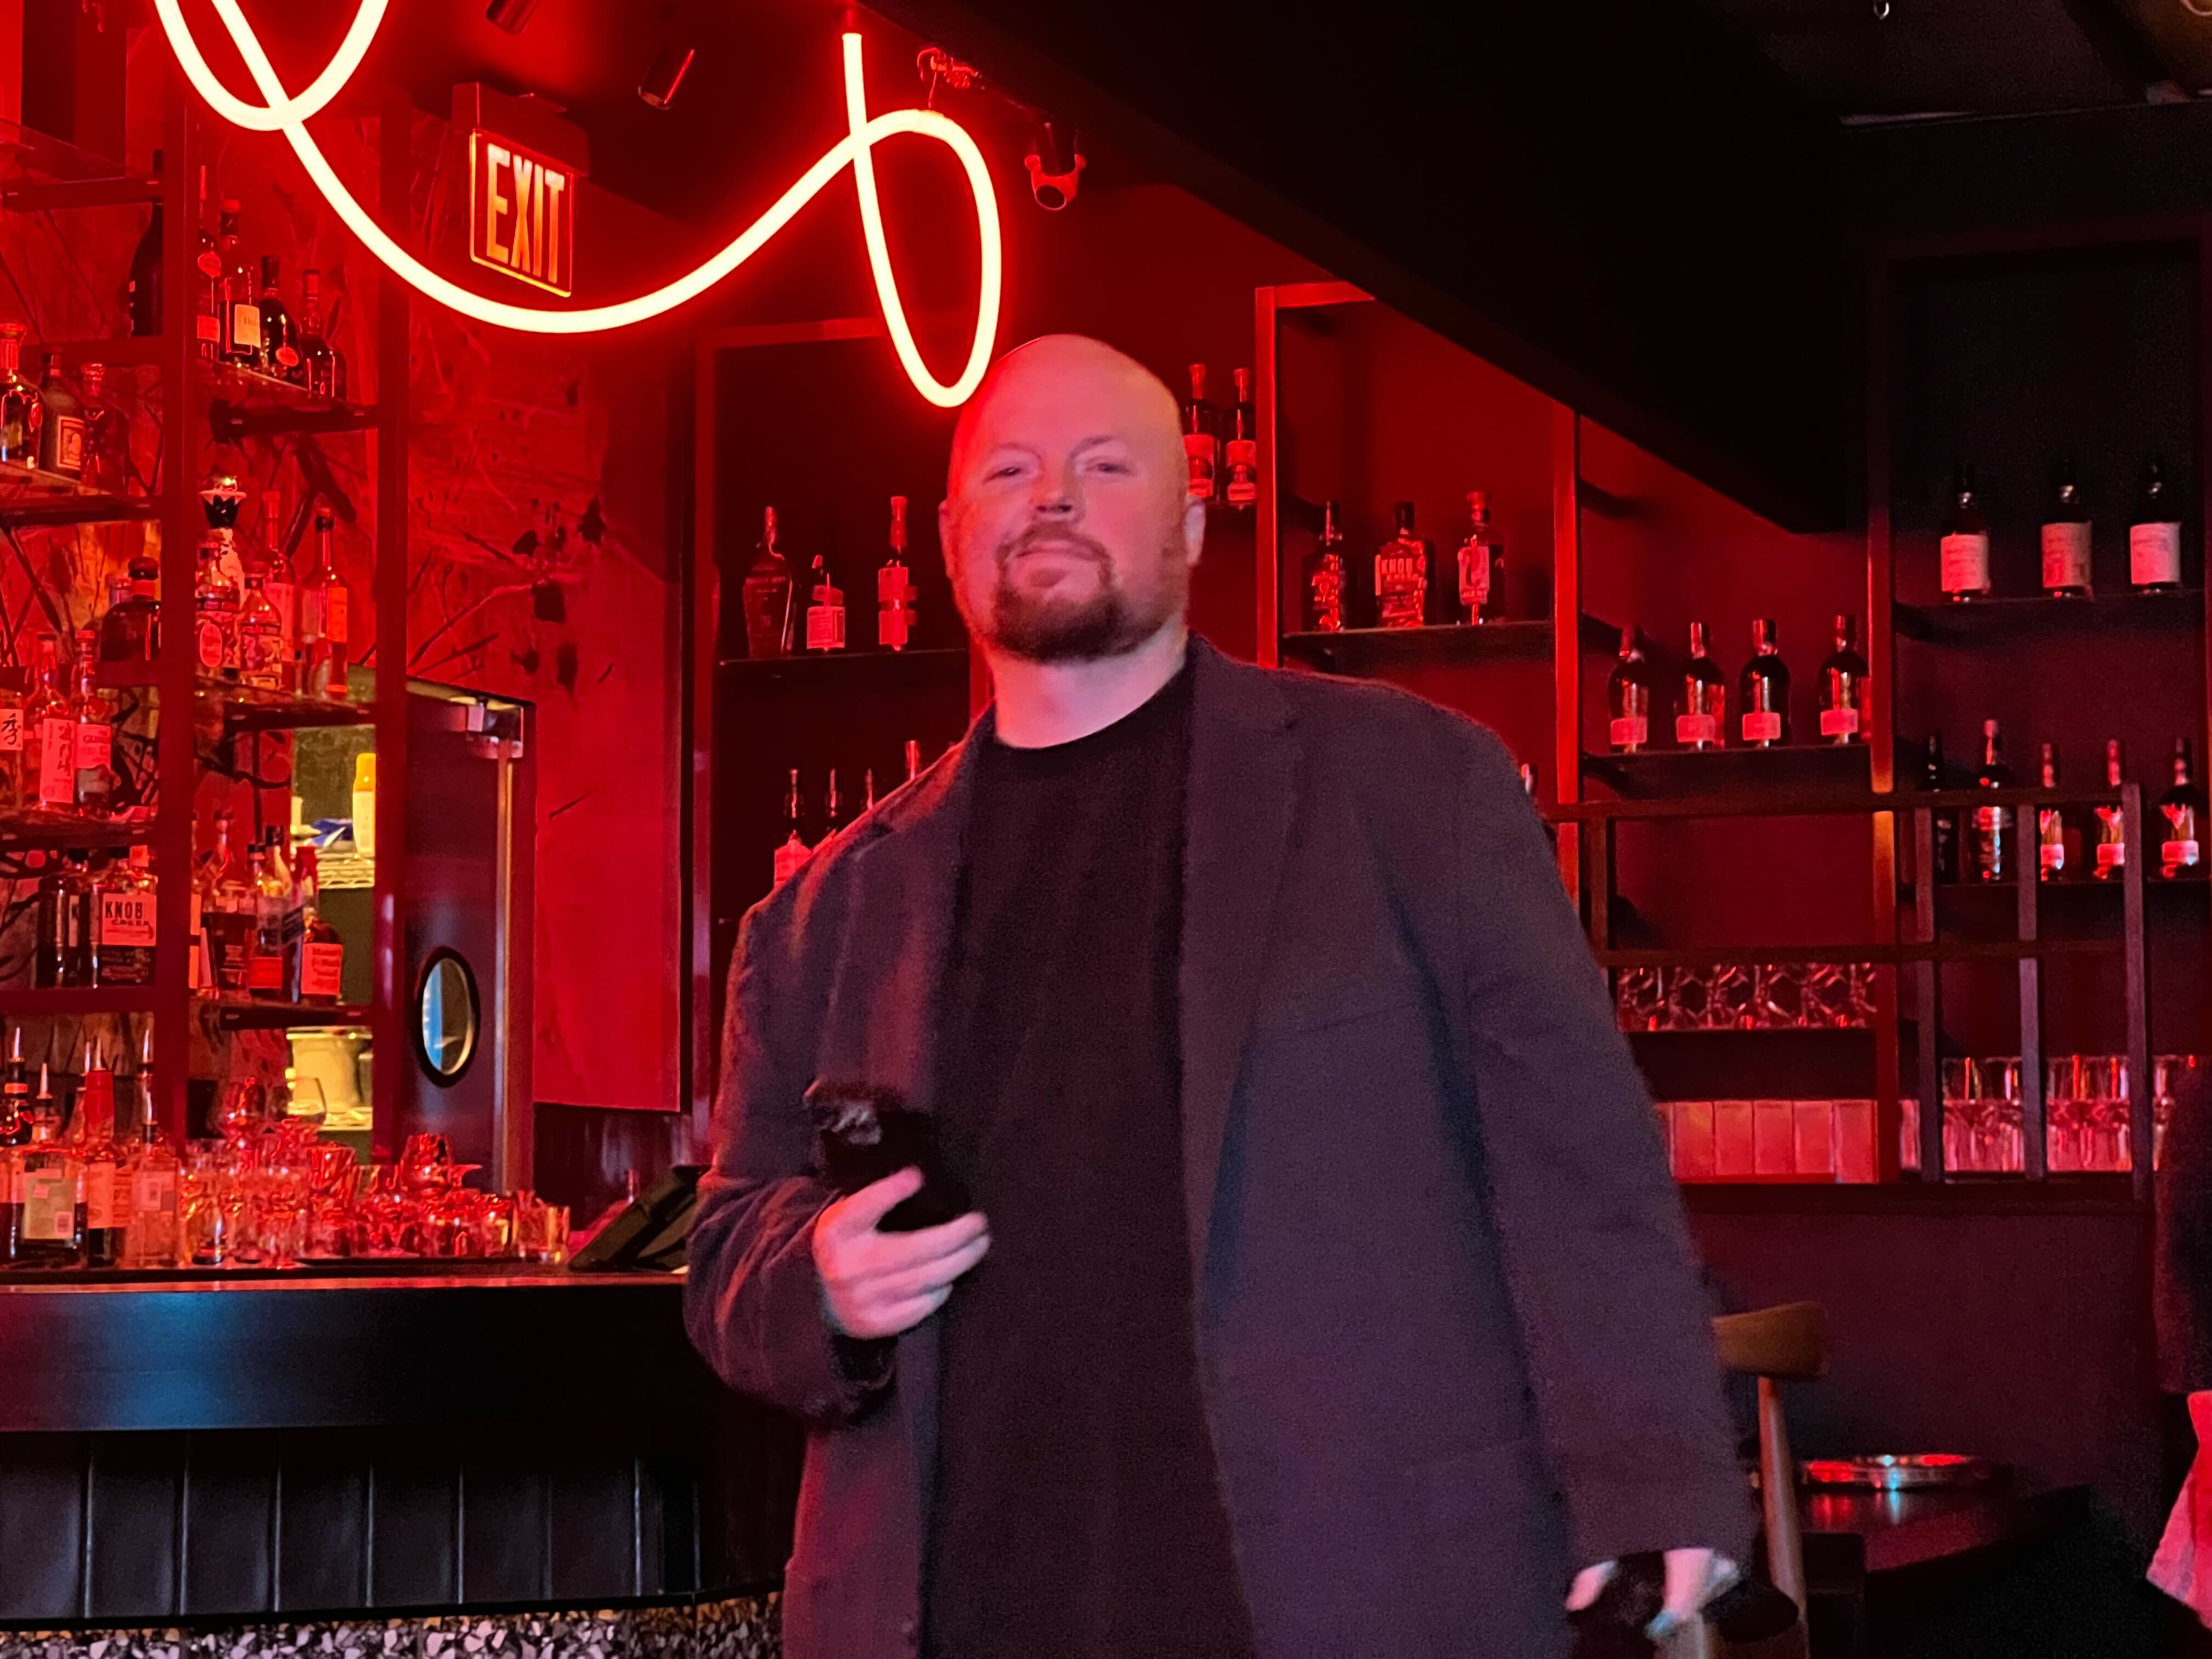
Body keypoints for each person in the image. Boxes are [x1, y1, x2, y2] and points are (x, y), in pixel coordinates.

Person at [684, 334, 1748, 1659]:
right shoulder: (823, 911)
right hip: (958, 1602)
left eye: (1104, 465)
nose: (1053, 497)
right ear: (955, 539)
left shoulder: (1412, 789)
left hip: (1344, 1587)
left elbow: (1576, 1156)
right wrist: (819, 1279)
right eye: (1011, 469)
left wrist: (1652, 1470)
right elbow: (727, 1249)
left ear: (1191, 523)